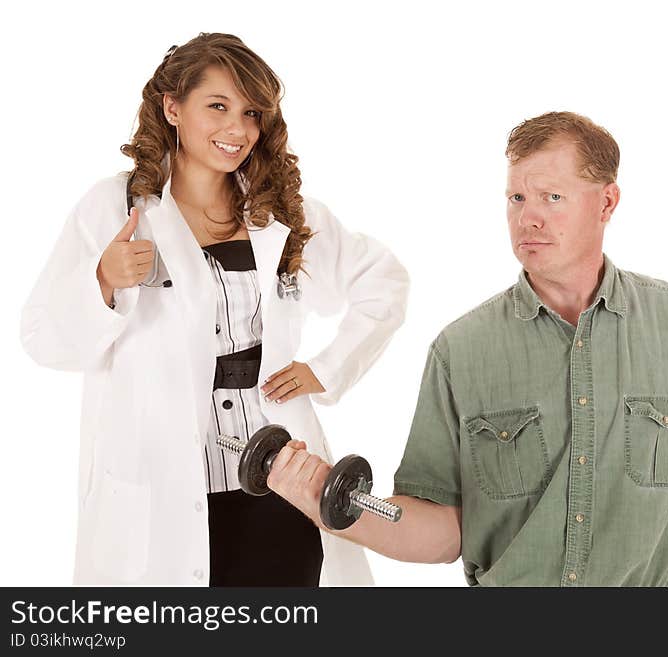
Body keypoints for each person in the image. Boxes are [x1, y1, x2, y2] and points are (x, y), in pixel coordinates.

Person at [266, 111, 668, 586]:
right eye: (516, 198)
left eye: (550, 196)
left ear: (607, 201)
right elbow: (444, 533)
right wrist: (329, 502)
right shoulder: (462, 351)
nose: (528, 218)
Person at [20, 33, 409, 586]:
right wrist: (102, 281)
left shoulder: (279, 213)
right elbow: (42, 338)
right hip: (164, 486)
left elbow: (385, 282)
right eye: (218, 106)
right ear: (172, 107)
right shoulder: (115, 207)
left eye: (251, 113)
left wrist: (325, 369)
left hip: (279, 477)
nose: (237, 130)